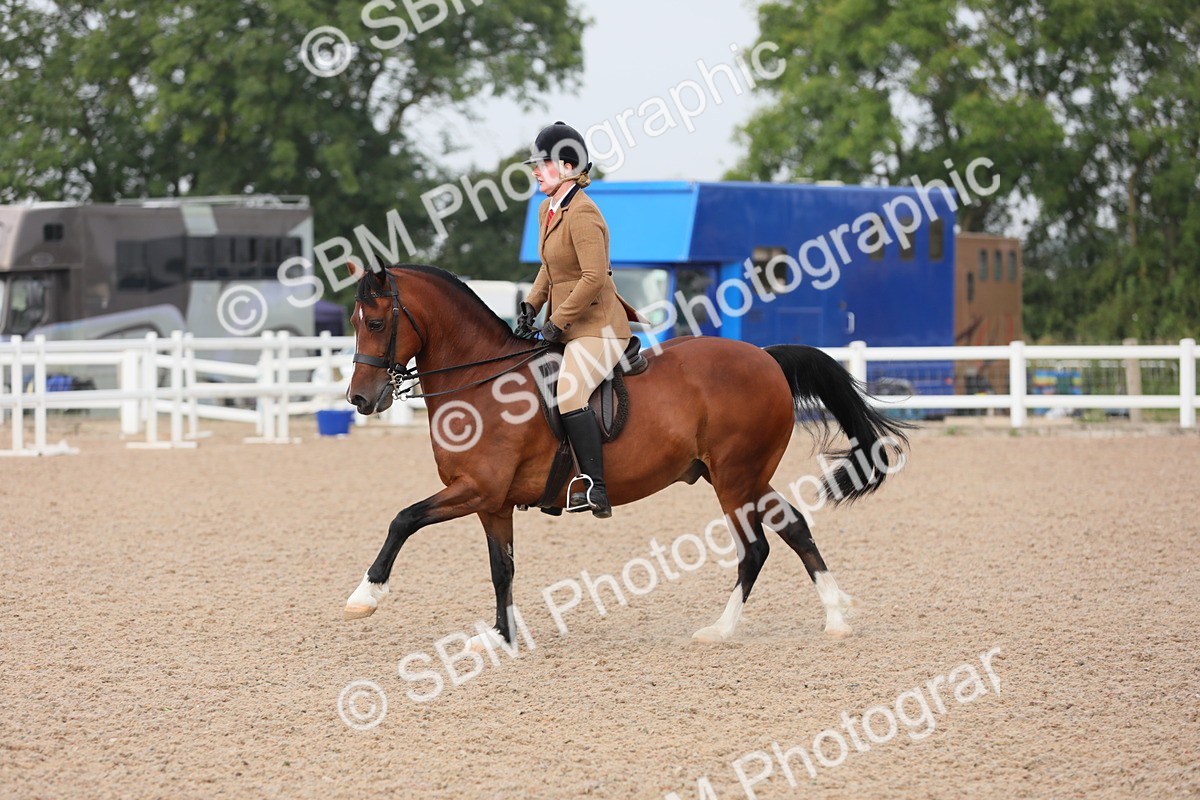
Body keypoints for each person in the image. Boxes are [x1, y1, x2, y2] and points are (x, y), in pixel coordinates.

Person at [521, 121, 644, 518]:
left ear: (568, 167)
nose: (536, 172)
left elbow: (593, 278)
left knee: (570, 393)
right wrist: (531, 305)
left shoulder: (584, 212)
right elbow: (549, 268)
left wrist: (556, 321)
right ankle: (553, 479)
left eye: (542, 164)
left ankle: (595, 486)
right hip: (568, 327)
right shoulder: (547, 209)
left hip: (598, 328)